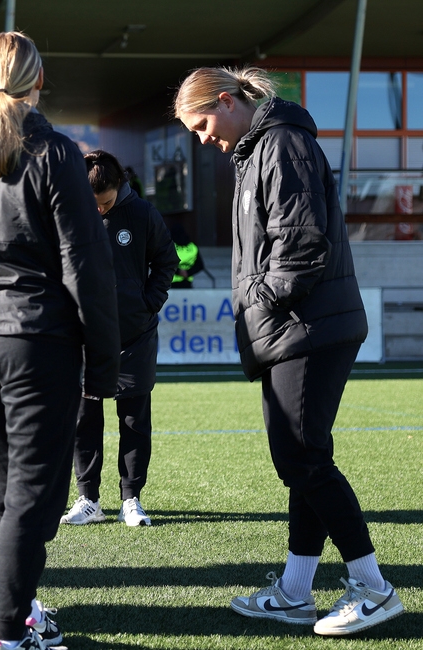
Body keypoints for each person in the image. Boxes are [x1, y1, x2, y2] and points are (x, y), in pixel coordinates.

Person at [175, 66, 403, 636]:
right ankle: (296, 593)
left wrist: (260, 301)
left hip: (308, 323)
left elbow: (301, 244)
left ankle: (374, 588)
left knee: (302, 458)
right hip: (299, 325)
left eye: (201, 125)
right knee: (302, 461)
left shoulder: (282, 144)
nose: (200, 139)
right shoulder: (258, 149)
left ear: (225, 101)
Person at [0, 32, 120, 650]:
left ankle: (24, 616)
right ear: (38, 82)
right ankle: (8, 635)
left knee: (6, 493)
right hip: (35, 341)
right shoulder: (54, 151)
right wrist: (104, 363)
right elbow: (85, 264)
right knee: (33, 499)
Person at [61, 150, 178, 528]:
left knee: (133, 421)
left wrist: (147, 303)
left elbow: (167, 260)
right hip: (83, 336)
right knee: (84, 420)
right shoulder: (69, 212)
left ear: (120, 186)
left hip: (135, 335)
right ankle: (88, 499)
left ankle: (131, 498)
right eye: (92, 204)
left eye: (106, 203)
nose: (99, 210)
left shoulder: (142, 214)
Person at [169, 220, 203, 289]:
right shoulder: (193, 247)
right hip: (187, 282)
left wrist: (179, 271)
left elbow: (165, 263)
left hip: (171, 283)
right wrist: (188, 272)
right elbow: (200, 265)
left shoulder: (169, 246)